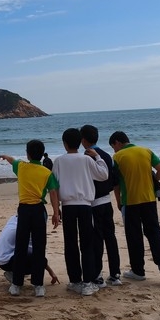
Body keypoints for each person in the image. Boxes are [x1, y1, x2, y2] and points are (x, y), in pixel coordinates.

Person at [109, 131, 160, 281]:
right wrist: (152, 183)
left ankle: (138, 271)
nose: (114, 150)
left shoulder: (117, 157)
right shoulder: (146, 151)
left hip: (130, 201)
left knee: (134, 236)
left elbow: (116, 183)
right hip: (149, 198)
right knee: (154, 232)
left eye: (113, 147)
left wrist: (118, 201)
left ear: (117, 142)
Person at [0, 140, 60, 298]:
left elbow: (12, 160)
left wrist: (5, 156)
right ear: (42, 154)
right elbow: (53, 193)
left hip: (24, 210)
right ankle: (38, 285)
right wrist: (56, 213)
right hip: (39, 210)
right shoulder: (46, 172)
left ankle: (17, 284)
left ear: (28, 154)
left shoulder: (21, 167)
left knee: (21, 246)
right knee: (39, 247)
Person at [52, 127, 109, 296]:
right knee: (87, 243)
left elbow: (54, 186)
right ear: (80, 142)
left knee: (70, 244)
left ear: (65, 143)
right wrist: (97, 157)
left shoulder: (59, 161)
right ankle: (88, 282)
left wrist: (56, 209)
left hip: (68, 205)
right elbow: (103, 175)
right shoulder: (86, 159)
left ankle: (75, 280)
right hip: (85, 205)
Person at [80, 125, 122, 288]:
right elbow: (113, 178)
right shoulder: (106, 155)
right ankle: (115, 274)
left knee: (96, 238)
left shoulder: (87, 157)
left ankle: (97, 274)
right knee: (110, 237)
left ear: (83, 140)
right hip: (107, 200)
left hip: (94, 201)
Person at [0, 215, 60, 286]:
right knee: (39, 261)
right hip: (6, 261)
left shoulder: (13, 219)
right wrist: (51, 271)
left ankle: (15, 272)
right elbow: (37, 254)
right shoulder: (26, 230)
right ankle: (14, 275)